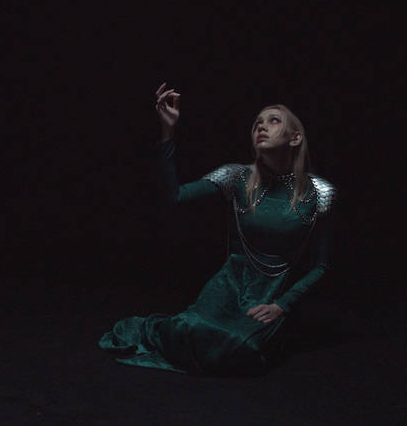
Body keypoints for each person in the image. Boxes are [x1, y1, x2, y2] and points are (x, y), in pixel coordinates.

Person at [99, 83, 336, 375]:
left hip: (274, 294)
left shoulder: (321, 192)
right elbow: (173, 197)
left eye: (273, 121)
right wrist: (168, 131)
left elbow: (321, 266)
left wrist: (282, 306)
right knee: (186, 330)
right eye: (257, 124)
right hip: (229, 284)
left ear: (295, 137)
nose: (261, 127)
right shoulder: (235, 176)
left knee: (244, 350)